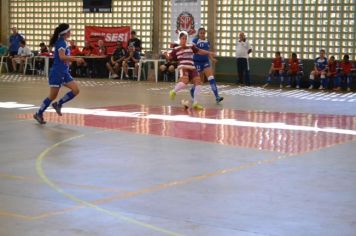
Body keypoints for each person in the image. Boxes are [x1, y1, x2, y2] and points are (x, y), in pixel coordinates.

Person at [33, 23, 84, 124]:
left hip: (64, 72)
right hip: (57, 72)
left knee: (75, 90)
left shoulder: (63, 42)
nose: (71, 32)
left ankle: (58, 104)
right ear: (65, 32)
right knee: (52, 96)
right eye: (69, 31)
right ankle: (39, 113)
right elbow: (61, 57)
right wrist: (75, 59)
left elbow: (63, 57)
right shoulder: (61, 43)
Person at [165, 31, 215, 110]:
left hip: (192, 67)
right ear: (179, 39)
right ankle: (173, 91)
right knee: (185, 82)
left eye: (185, 38)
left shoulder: (191, 46)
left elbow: (200, 51)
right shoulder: (176, 49)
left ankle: (195, 103)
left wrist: (209, 53)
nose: (184, 40)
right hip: (183, 67)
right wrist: (166, 55)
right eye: (182, 38)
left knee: (198, 83)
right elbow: (170, 58)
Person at [191, 27, 223, 104]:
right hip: (197, 62)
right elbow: (193, 50)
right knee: (199, 81)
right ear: (198, 34)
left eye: (203, 33)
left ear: (205, 34)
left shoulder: (207, 42)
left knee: (211, 78)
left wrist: (212, 59)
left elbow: (207, 52)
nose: (202, 34)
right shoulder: (195, 41)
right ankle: (192, 90)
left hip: (205, 62)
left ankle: (217, 96)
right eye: (201, 33)